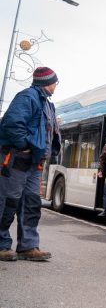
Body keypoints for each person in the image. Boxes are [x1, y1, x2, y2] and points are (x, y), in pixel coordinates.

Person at [0, 67, 61, 261]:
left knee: (31, 203)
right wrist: (25, 145)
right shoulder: (27, 97)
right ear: (46, 82)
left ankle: (28, 246)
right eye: (55, 82)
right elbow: (11, 124)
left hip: (35, 162)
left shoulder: (47, 103)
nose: (56, 85)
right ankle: (1, 244)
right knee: (8, 202)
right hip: (17, 159)